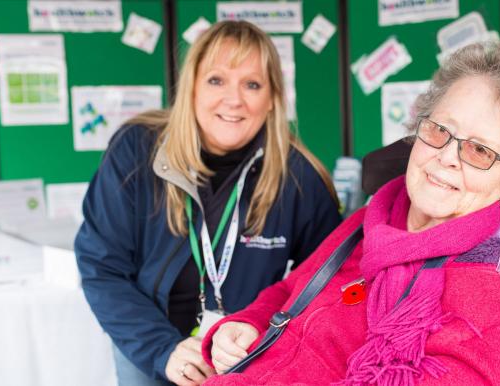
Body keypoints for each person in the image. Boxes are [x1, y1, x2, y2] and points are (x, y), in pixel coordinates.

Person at [201, 41, 500, 385]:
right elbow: (290, 291)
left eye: (479, 150)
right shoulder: (369, 222)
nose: (446, 157)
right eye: (440, 130)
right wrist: (246, 324)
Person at [74, 21, 341, 386]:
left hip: (243, 357)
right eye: (216, 80)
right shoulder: (136, 150)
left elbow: (326, 284)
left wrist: (261, 332)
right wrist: (161, 350)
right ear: (192, 88)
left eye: (252, 84)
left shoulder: (300, 178)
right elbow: (101, 267)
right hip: (148, 348)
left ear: (272, 99)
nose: (234, 100)